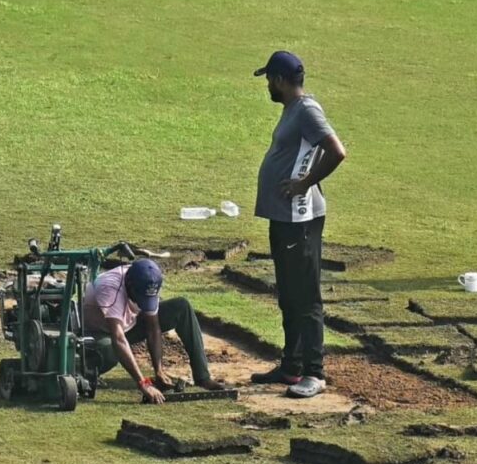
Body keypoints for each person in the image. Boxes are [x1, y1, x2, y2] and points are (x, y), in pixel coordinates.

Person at [249, 51, 347, 399]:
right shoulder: (293, 110)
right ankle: (291, 366)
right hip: (284, 217)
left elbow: (336, 150)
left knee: (306, 297)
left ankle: (314, 373)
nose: (267, 88)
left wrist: (305, 183)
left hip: (300, 218)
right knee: (288, 295)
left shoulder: (306, 110)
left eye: (268, 81)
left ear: (279, 80)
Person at [84, 259, 226, 405]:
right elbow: (118, 338)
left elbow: (153, 328)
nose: (142, 303)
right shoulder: (109, 288)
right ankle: (85, 373)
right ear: (130, 285)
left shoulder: (149, 280)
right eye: (140, 298)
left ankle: (203, 377)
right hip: (96, 334)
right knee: (110, 349)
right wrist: (144, 383)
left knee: (181, 307)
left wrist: (159, 371)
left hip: (127, 326)